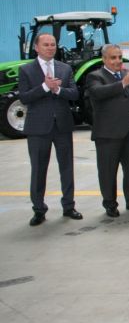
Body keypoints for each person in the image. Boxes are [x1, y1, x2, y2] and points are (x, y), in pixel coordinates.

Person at [18, 33, 83, 226]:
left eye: (53, 44)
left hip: (62, 125)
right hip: (38, 128)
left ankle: (69, 206)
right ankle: (39, 209)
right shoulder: (26, 70)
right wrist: (45, 87)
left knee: (67, 168)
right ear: (36, 47)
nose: (50, 47)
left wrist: (58, 90)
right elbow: (24, 97)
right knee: (38, 169)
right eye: (46, 44)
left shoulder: (65, 68)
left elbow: (75, 93)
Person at [85, 44, 129, 217]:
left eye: (120, 57)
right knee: (108, 170)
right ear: (104, 59)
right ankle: (110, 204)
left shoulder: (127, 74)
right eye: (113, 57)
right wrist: (123, 83)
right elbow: (98, 93)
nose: (118, 61)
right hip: (109, 134)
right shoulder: (95, 76)